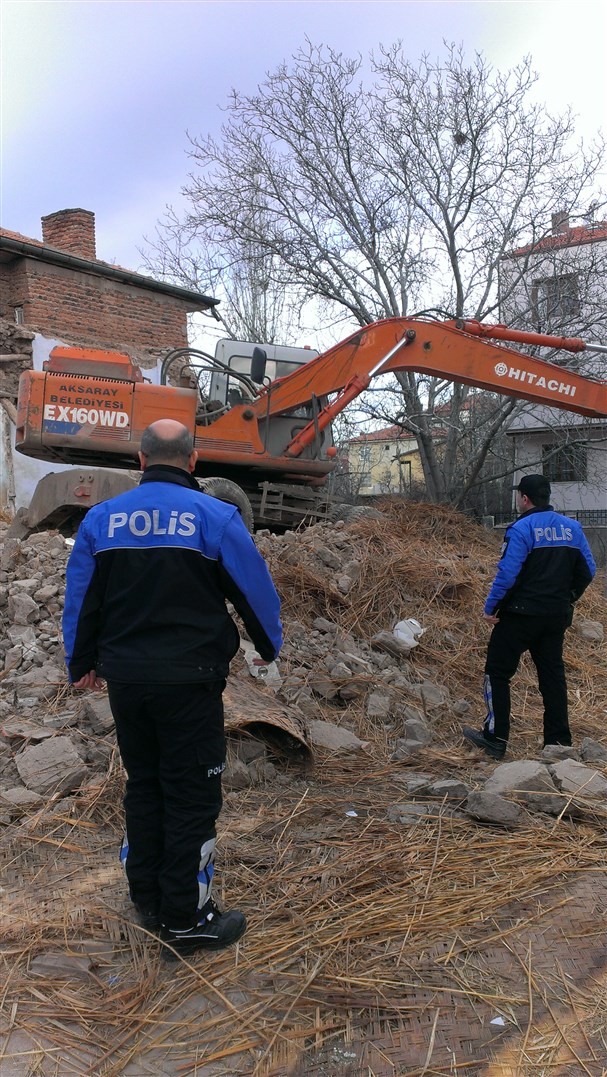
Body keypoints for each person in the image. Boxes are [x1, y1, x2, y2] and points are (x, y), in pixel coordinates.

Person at [63, 419, 282, 959]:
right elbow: (255, 590)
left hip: (128, 682)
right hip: (190, 682)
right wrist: (267, 644)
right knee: (191, 795)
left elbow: (81, 596)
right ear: (192, 460)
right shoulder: (215, 516)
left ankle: (149, 901)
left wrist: (81, 661)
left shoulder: (101, 520)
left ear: (141, 460)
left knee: (145, 786)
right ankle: (187, 919)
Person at [463, 474, 596, 760]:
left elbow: (508, 574)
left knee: (497, 673)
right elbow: (589, 571)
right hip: (555, 616)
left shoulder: (521, 528)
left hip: (520, 617)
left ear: (524, 498)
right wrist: (568, 597)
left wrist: (491, 608)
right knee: (552, 677)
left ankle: (495, 738)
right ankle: (558, 743)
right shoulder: (573, 528)